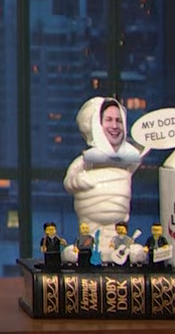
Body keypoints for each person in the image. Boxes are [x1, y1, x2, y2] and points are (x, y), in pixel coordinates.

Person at [63, 96, 143, 258]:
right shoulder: (84, 162)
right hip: (90, 229)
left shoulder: (127, 160)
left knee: (131, 253)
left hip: (117, 234)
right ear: (96, 125)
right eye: (108, 120)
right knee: (77, 254)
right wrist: (81, 181)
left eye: (118, 120)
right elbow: (69, 181)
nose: (114, 126)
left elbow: (137, 158)